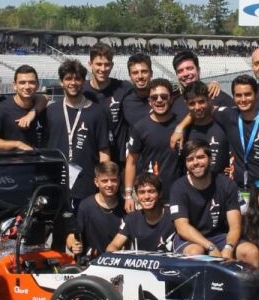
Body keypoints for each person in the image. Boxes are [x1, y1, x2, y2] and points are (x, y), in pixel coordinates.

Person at [43, 58, 111, 208]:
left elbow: (104, 151)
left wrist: (104, 182)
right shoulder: (51, 110)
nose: (73, 83)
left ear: (83, 81)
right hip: (55, 182)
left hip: (86, 184)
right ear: (61, 82)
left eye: (77, 79)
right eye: (68, 79)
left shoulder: (97, 112)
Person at [169, 140, 242, 257]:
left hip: (219, 237)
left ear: (210, 158)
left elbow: (235, 226)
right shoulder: (178, 188)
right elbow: (182, 227)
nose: (195, 162)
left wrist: (228, 248)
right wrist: (210, 246)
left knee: (249, 251)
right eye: (190, 159)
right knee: (196, 252)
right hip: (189, 239)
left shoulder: (226, 184)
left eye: (200, 157)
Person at [123, 78, 183, 211]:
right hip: (148, 196)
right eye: (154, 97)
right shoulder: (140, 127)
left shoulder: (181, 124)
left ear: (171, 99)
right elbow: (131, 162)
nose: (159, 100)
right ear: (149, 101)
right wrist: (128, 196)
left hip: (176, 196)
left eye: (164, 96)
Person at [212, 74, 259, 189]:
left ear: (256, 94)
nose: (243, 99)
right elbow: (201, 108)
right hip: (237, 188)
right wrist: (180, 128)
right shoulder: (227, 116)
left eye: (248, 94)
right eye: (238, 95)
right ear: (233, 97)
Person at [66, 161, 123, 259]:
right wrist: (73, 245)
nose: (109, 185)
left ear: (119, 181)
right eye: (104, 181)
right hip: (90, 263)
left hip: (118, 263)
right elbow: (73, 234)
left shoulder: (125, 206)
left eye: (113, 180)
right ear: (96, 182)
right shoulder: (85, 206)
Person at [0, 65, 45, 152]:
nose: (27, 87)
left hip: (37, 164)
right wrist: (17, 144)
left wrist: (32, 112)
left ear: (37, 85)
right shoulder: (1, 109)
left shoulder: (42, 108)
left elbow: (44, 97)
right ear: (14, 85)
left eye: (31, 82)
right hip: (10, 164)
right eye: (22, 82)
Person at [107, 173, 176, 253]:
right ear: (137, 195)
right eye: (142, 192)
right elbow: (112, 246)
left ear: (160, 193)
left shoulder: (174, 217)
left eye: (151, 191)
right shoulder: (131, 219)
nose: (146, 197)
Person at [83, 45, 131, 158]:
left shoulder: (124, 88)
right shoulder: (82, 91)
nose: (103, 69)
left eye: (107, 64)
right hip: (91, 158)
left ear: (112, 65)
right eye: (99, 64)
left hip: (118, 159)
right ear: (90, 65)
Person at [180, 81, 230, 174]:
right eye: (192, 104)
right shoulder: (185, 131)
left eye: (201, 101)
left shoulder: (223, 123)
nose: (197, 107)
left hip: (222, 185)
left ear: (209, 99)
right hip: (195, 186)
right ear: (186, 104)